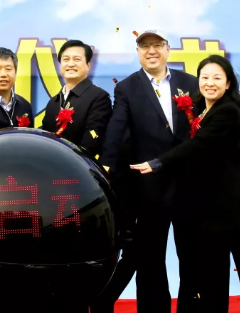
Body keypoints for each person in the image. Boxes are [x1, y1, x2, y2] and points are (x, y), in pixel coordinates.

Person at [131, 55, 240, 313]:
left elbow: (198, 145)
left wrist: (159, 163)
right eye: (205, 77)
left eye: (217, 78)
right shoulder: (201, 112)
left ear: (228, 83)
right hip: (213, 212)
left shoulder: (228, 111)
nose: (210, 83)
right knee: (214, 278)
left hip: (237, 211)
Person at [93, 29, 199, 313]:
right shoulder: (127, 88)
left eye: (157, 45)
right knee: (151, 259)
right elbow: (116, 129)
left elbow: (202, 129)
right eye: (144, 46)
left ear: (168, 49)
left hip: (189, 184)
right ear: (138, 52)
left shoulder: (190, 83)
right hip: (150, 185)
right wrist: (106, 165)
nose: (151, 51)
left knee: (192, 255)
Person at [40, 40, 112, 157]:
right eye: (66, 59)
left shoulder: (99, 97)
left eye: (77, 59)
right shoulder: (53, 102)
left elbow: (92, 142)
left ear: (88, 65)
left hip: (81, 164)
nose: (70, 64)